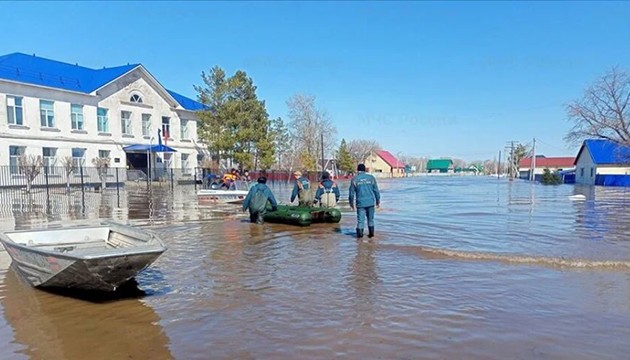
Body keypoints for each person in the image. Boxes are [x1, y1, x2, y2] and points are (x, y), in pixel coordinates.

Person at [348, 164, 381, 238]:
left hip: (360, 203)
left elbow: (351, 194)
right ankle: (371, 236)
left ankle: (359, 239)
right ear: (365, 170)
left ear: (357, 170)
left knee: (360, 221)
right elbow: (376, 191)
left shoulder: (354, 179)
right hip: (370, 202)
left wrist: (351, 203)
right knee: (371, 220)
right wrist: (378, 201)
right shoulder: (371, 178)